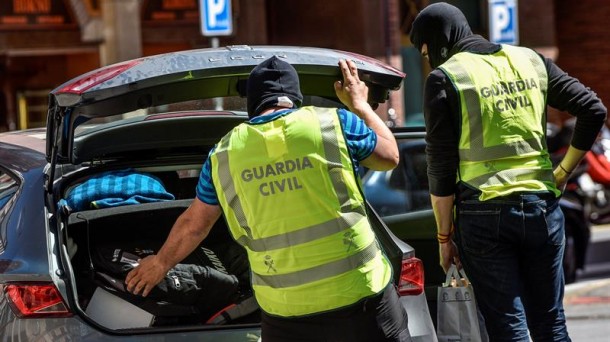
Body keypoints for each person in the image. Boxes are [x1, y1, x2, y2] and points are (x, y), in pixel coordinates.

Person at [125, 56, 412, 341]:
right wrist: (360, 104)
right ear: (295, 98)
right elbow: (390, 156)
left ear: (253, 103)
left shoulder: (224, 154)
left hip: (287, 314)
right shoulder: (332, 123)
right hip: (361, 298)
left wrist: (160, 263)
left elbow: (195, 224)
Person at [409, 2, 607, 341]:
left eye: (427, 51)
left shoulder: (446, 78)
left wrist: (444, 238)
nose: (428, 60)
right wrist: (561, 173)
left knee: (508, 327)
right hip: (543, 208)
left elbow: (440, 167)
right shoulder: (530, 60)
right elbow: (593, 109)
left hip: (485, 215)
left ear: (440, 40)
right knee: (552, 324)